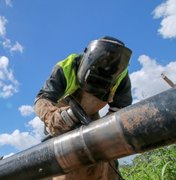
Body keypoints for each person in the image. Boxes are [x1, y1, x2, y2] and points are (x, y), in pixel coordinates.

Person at [34, 36, 132, 180]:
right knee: (59, 161)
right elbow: (42, 99)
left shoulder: (121, 75)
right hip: (62, 110)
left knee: (107, 158)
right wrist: (54, 117)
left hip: (93, 114)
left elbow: (120, 109)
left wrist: (106, 132)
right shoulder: (67, 66)